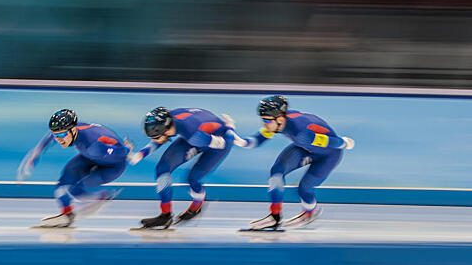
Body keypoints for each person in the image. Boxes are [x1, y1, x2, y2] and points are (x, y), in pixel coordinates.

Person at [227, 95, 354, 230]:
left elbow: (331, 142)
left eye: (266, 120)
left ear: (280, 119)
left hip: (328, 155)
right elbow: (257, 141)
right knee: (276, 172)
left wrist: (345, 143)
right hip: (305, 147)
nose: (264, 124)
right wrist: (239, 141)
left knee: (304, 189)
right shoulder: (278, 122)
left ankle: (311, 211)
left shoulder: (302, 133)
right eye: (262, 119)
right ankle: (275, 216)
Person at [16, 109, 132, 227]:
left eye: (61, 135)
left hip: (112, 166)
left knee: (77, 189)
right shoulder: (70, 131)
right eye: (56, 135)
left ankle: (102, 196)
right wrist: (35, 155)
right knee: (63, 184)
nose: (59, 139)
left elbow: (122, 152)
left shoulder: (93, 144)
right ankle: (67, 214)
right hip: (88, 157)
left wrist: (127, 149)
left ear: (73, 130)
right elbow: (49, 138)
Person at [128, 107, 234, 229]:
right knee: (162, 169)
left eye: (156, 136)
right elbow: (158, 140)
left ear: (166, 132)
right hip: (198, 132)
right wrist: (140, 154)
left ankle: (196, 206)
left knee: (192, 179)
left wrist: (230, 128)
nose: (154, 140)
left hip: (217, 143)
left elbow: (225, 142)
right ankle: (165, 215)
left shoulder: (194, 135)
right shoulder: (168, 119)